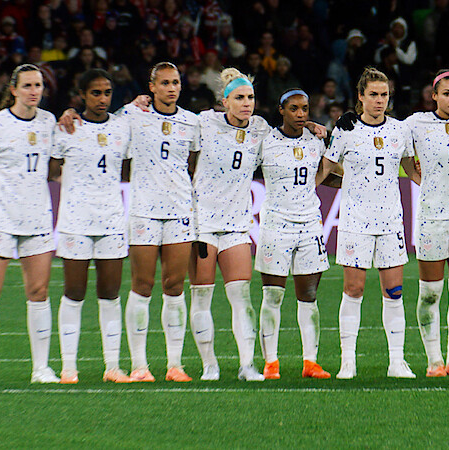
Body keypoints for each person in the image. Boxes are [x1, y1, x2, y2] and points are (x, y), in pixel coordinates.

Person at [62, 62, 201, 382]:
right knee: (142, 286)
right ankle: (139, 365)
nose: (171, 88)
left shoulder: (191, 123)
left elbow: (192, 164)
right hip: (142, 210)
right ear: (151, 87)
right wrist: (70, 111)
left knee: (175, 286)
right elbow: (95, 121)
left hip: (180, 210)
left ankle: (175, 365)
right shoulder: (130, 115)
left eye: (176, 82)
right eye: (164, 83)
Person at [320, 67, 420, 379]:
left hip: (391, 221)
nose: (379, 100)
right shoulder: (346, 130)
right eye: (373, 95)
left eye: (384, 95)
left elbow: (412, 170)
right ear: (361, 97)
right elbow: (326, 170)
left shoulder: (400, 130)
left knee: (394, 292)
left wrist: (431, 188)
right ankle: (347, 361)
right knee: (354, 288)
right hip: (354, 221)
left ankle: (397, 362)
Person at [0, 64, 59, 385]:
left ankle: (41, 369)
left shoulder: (50, 122)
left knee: (38, 292)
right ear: (14, 90)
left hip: (37, 219)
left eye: (38, 85)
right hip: (1, 219)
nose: (34, 91)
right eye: (28, 86)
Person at [49, 69, 132, 384]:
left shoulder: (122, 129)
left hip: (111, 220)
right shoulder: (67, 129)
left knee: (110, 294)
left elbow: (126, 167)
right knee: (74, 292)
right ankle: (69, 368)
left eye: (107, 92)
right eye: (96, 93)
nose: (102, 99)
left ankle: (113, 367)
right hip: (75, 221)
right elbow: (52, 169)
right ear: (82, 94)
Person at [191, 68, 269, 382]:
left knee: (241, 297)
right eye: (239, 98)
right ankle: (210, 365)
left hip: (237, 224)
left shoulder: (260, 128)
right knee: (201, 297)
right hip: (202, 225)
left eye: (250, 97)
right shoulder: (203, 123)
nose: (246, 103)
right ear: (225, 102)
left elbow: (290, 137)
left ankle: (247, 365)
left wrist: (315, 128)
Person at [255, 89, 336, 380]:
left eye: (305, 108)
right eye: (294, 109)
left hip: (310, 225)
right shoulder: (265, 142)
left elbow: (333, 175)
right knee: (273, 295)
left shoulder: (316, 143)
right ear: (281, 110)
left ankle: (310, 362)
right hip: (276, 226)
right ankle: (271, 362)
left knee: (309, 296)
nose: (300, 114)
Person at [404, 69, 449, 378]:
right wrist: (415, 175)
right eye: (447, 93)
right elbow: (394, 147)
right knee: (430, 293)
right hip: (431, 216)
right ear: (433, 95)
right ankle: (434, 361)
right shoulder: (414, 123)